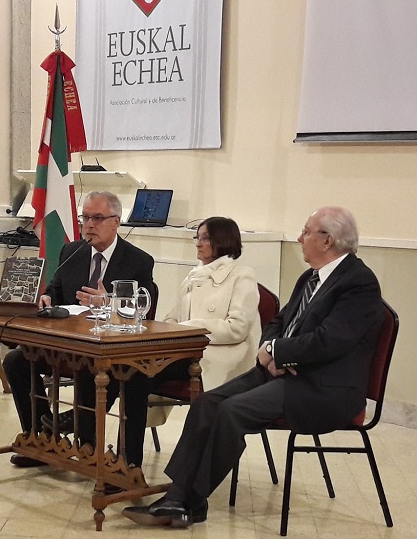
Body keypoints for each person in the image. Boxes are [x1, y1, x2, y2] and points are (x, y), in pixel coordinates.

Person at [122, 206, 384, 528]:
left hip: (323, 387)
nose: (300, 238)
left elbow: (330, 341)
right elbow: (278, 320)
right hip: (282, 372)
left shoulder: (358, 283)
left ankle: (187, 500)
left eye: (305, 231)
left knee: (232, 411)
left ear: (327, 240)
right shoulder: (310, 277)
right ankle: (178, 498)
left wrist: (279, 351)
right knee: (207, 403)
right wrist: (271, 350)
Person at [2, 190, 155, 468]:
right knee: (16, 361)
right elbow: (55, 291)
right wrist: (46, 297)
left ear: (116, 222)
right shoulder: (72, 251)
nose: (89, 225)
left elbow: (147, 312)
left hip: (107, 351)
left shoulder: (138, 261)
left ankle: (87, 447)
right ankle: (42, 438)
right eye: (85, 217)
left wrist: (109, 301)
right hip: (68, 345)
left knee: (90, 372)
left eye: (97, 218)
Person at [147, 217, 261, 428]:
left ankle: (121, 448)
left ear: (223, 240)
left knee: (143, 373)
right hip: (187, 353)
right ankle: (124, 449)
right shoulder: (194, 275)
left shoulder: (242, 275)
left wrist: (190, 328)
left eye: (205, 238)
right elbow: (174, 317)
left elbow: (237, 328)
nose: (198, 243)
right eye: (197, 237)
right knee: (133, 369)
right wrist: (162, 331)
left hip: (219, 357)